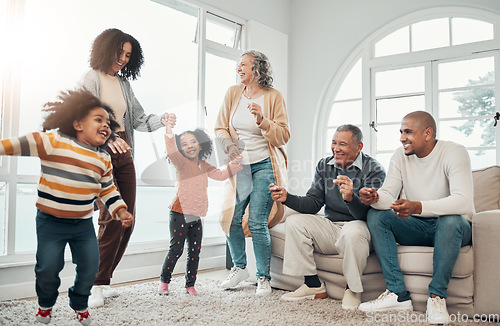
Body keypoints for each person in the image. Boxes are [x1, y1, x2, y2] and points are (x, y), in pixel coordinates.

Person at [0, 89, 133, 325]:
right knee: (49, 267)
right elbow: (18, 144)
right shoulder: (53, 143)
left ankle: (79, 302)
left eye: (108, 123)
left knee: (91, 265)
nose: (106, 126)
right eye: (98, 119)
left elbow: (108, 190)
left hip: (82, 224)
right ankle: (45, 303)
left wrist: (120, 210)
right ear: (78, 124)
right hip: (50, 222)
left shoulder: (102, 159)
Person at [80, 28, 173, 307]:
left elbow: (139, 119)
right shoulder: (91, 78)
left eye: (128, 55)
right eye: (119, 52)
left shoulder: (123, 84)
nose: (122, 59)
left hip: (125, 152)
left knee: (126, 219)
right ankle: (93, 283)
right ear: (106, 48)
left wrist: (163, 118)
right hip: (101, 154)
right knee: (111, 216)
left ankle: (104, 278)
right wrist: (108, 139)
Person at [358, 111, 473, 324]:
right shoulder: (399, 156)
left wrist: (417, 206)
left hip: (453, 228)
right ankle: (397, 294)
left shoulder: (454, 152)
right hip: (418, 226)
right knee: (377, 215)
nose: (402, 137)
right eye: (401, 132)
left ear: (428, 133)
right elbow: (388, 195)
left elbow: (463, 201)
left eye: (408, 132)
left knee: (449, 219)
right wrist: (375, 197)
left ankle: (437, 297)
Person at [269, 125, 386, 309]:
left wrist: (350, 198)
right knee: (295, 222)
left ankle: (353, 290)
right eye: (333, 143)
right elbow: (314, 202)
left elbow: (371, 213)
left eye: (342, 144)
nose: (336, 148)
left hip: (362, 228)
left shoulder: (374, 170)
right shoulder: (325, 165)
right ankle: (312, 285)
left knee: (352, 231)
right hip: (332, 227)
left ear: (359, 147)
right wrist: (287, 198)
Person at [214, 50, 290, 296]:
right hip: (240, 167)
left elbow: (283, 135)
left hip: (265, 165)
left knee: (257, 222)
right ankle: (239, 267)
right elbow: (220, 128)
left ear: (257, 68)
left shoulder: (273, 97)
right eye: (238, 65)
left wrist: (262, 120)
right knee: (230, 218)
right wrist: (230, 147)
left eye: (244, 64)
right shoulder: (233, 93)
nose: (239, 68)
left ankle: (263, 278)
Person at [158, 116, 242, 295]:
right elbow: (171, 150)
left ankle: (190, 285)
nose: (190, 145)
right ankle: (164, 282)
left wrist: (233, 166)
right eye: (185, 143)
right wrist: (168, 129)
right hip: (179, 213)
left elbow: (220, 175)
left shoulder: (204, 165)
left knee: (195, 252)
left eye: (193, 141)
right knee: (176, 249)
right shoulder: (181, 163)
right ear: (181, 148)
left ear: (200, 144)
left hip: (196, 216)